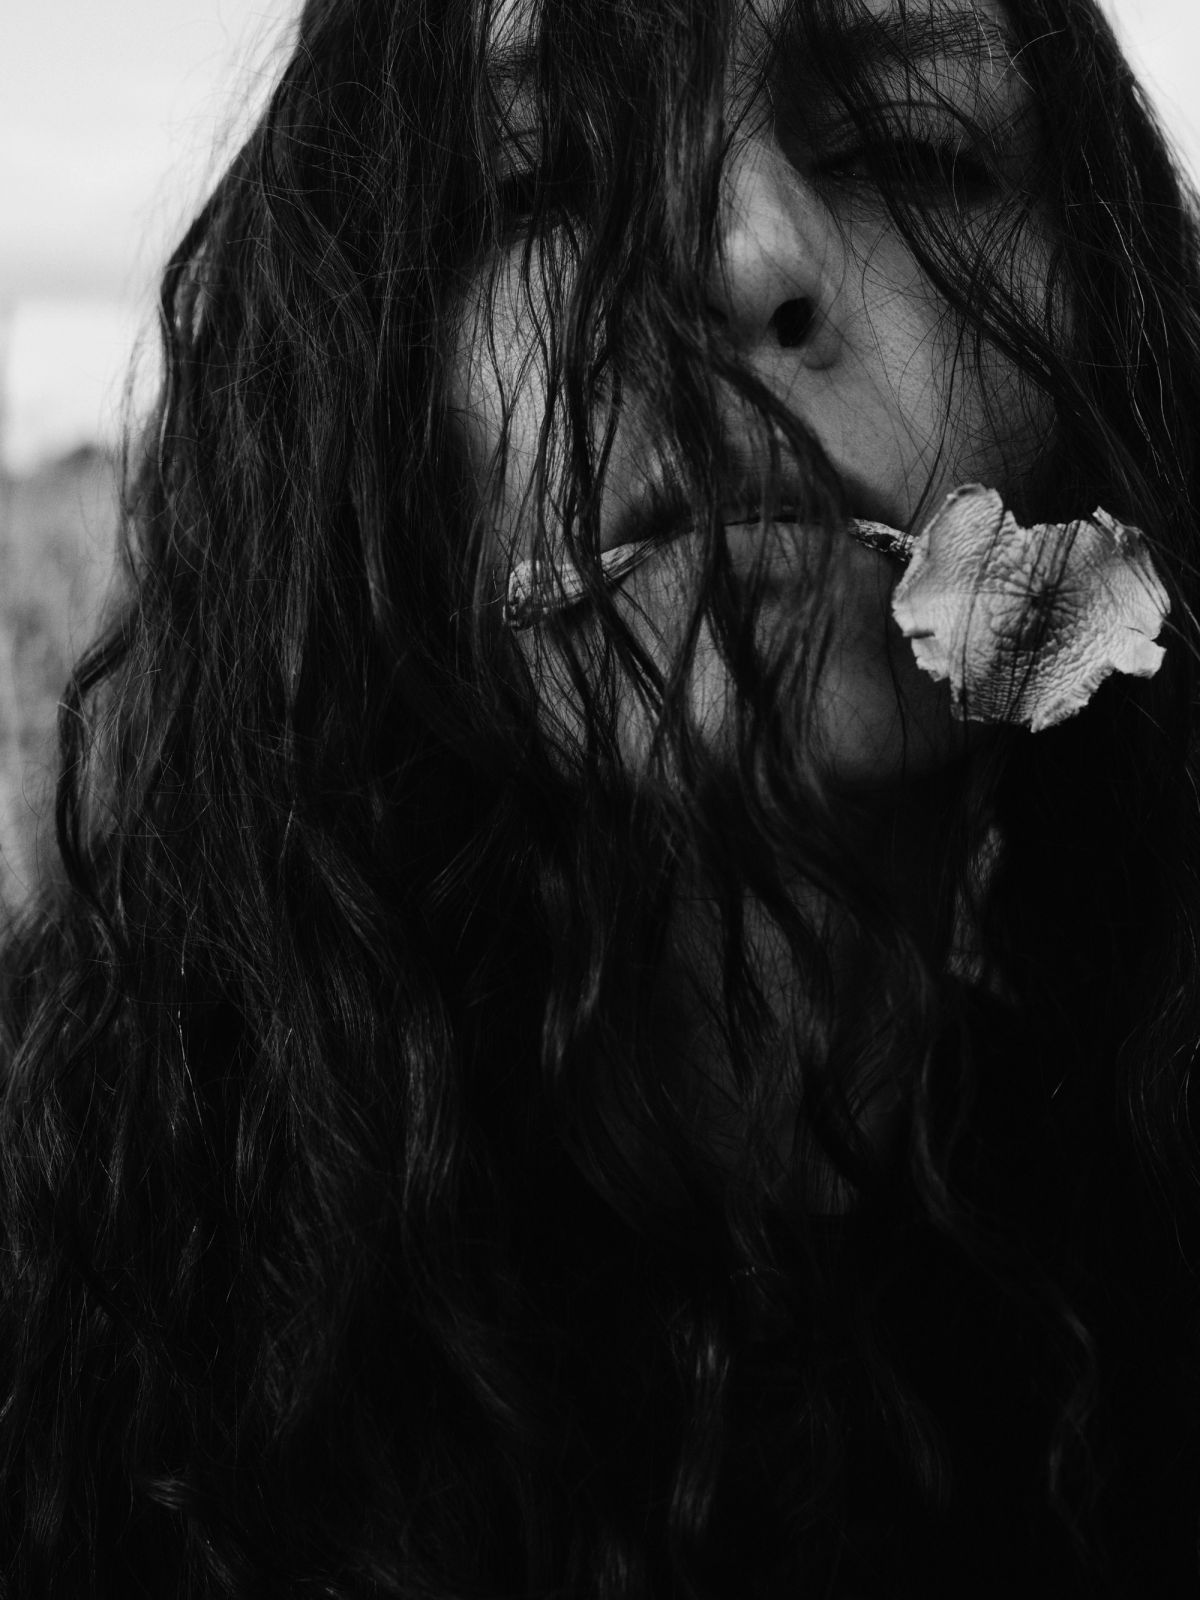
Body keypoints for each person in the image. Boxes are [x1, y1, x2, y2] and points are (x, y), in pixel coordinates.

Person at [2, 0, 1199, 1593]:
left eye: (908, 150)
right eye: (538, 183)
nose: (734, 253)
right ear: (372, 413)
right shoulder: (77, 1266)